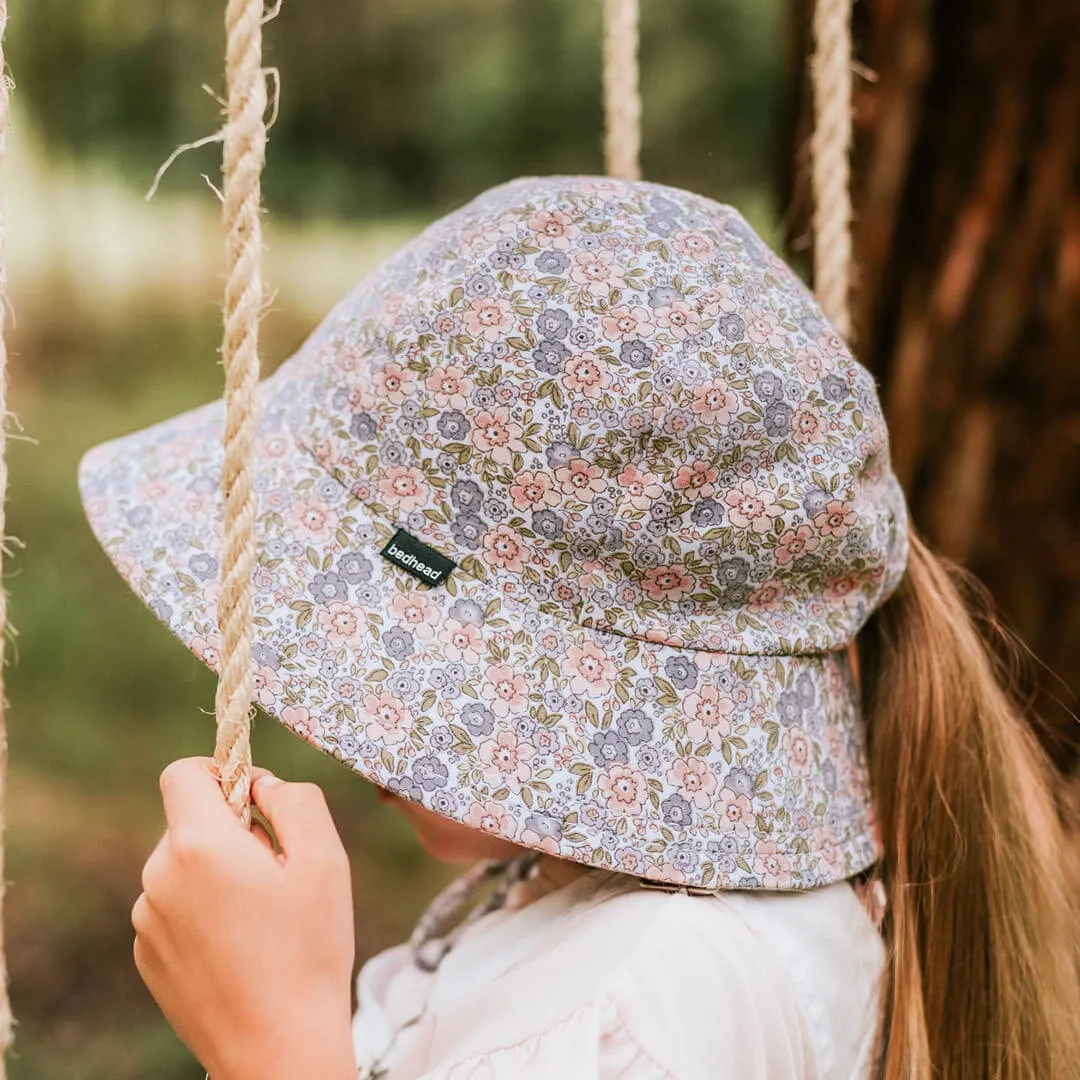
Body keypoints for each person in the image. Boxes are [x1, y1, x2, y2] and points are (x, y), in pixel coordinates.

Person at [79, 177, 1080, 1080]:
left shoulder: (641, 1009)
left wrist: (273, 1045)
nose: (344, 723)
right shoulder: (652, 915)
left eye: (433, 646)